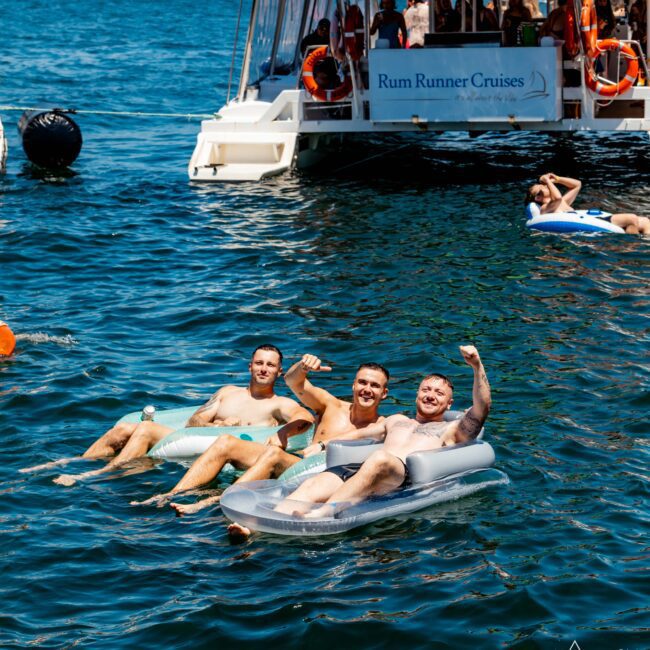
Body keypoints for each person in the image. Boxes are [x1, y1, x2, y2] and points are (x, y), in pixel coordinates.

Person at [41, 345, 313, 486]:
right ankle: (74, 462)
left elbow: (306, 418)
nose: (263, 369)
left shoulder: (279, 403)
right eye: (259, 363)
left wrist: (285, 432)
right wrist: (218, 423)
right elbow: (193, 422)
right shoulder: (227, 392)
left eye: (270, 365)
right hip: (198, 439)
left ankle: (96, 475)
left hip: (226, 450)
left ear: (279, 372)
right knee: (125, 428)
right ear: (249, 365)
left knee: (146, 431)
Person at [155, 354, 390, 518]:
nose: (367, 389)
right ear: (353, 385)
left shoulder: (384, 425)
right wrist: (303, 366)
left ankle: (213, 501)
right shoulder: (331, 405)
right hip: (296, 461)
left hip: (321, 475)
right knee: (226, 442)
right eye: (362, 382)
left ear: (384, 393)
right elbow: (292, 380)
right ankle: (170, 494)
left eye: (374, 385)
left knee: (274, 455)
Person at [273, 345, 491, 521]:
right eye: (426, 390)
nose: (430, 395)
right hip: (366, 469)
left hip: (400, 476)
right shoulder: (396, 420)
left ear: (448, 403)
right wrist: (322, 445)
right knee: (316, 483)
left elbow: (482, 408)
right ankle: (262, 523)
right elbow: (360, 434)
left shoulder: (451, 429)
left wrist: (476, 366)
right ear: (417, 395)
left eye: (439, 393)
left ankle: (325, 512)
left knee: (381, 459)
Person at [525, 173, 650, 234]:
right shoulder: (545, 209)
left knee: (644, 221)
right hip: (595, 223)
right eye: (541, 188)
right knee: (632, 218)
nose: (545, 186)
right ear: (537, 198)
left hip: (596, 219)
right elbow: (556, 198)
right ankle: (631, 248)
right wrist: (546, 180)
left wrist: (557, 179)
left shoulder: (563, 202)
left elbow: (577, 185)